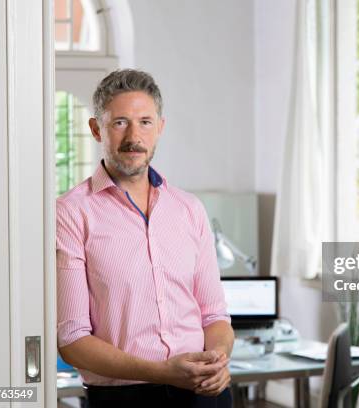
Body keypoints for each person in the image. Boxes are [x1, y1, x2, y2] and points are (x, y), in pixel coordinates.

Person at [56, 69, 234, 407]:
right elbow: (72, 339)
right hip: (124, 398)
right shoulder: (70, 213)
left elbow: (214, 316)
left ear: (160, 128)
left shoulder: (189, 209)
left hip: (204, 394)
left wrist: (218, 360)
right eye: (120, 122)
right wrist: (164, 372)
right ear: (97, 129)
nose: (134, 137)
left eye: (145, 122)